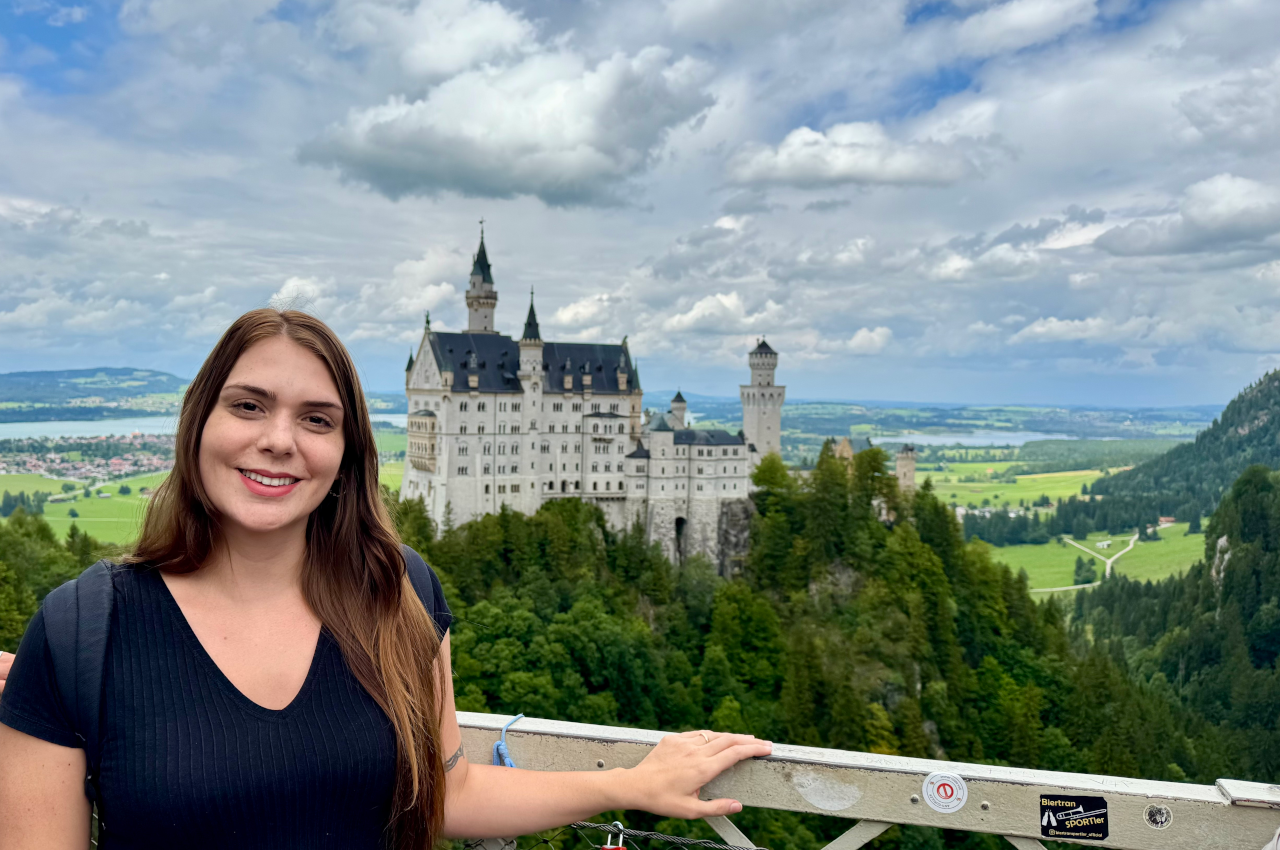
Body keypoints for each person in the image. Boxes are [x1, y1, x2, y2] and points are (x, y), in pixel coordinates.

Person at [0, 309, 771, 849]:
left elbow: (449, 794)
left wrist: (624, 783)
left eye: (317, 418)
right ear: (199, 421)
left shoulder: (398, 593)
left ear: (346, 453)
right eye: (248, 405)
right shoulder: (82, 633)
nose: (278, 441)